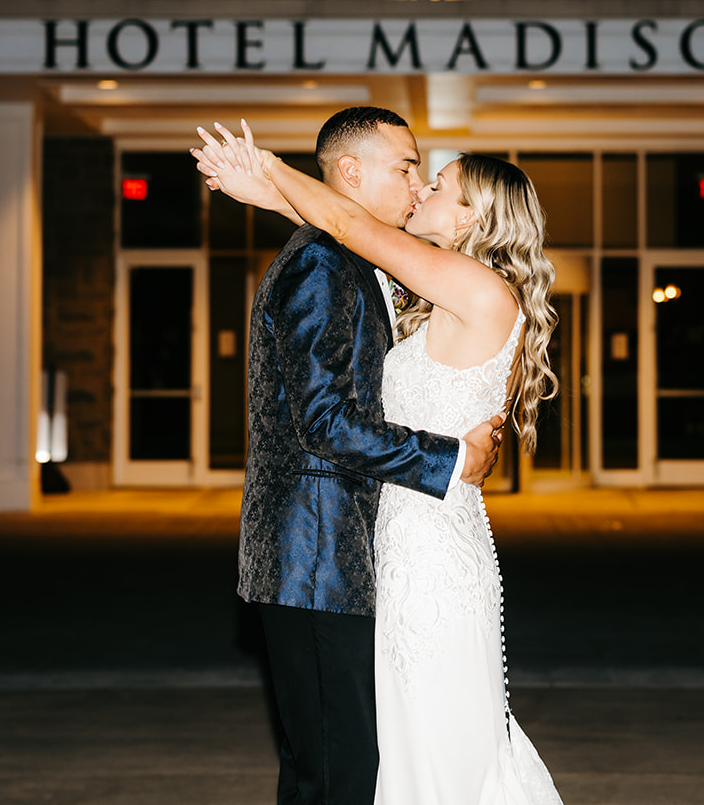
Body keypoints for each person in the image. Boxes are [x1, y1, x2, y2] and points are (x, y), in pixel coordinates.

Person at [196, 117, 566, 805]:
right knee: (367, 754)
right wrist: (452, 455)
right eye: (410, 168)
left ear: (473, 220)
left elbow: (349, 220)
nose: (421, 184)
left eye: (438, 182)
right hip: (354, 547)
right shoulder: (389, 276)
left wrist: (271, 171)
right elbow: (344, 226)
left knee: (405, 748)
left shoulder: (470, 287)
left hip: (419, 548)